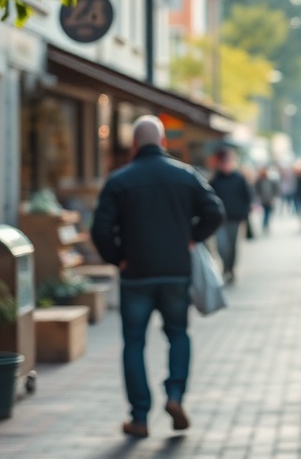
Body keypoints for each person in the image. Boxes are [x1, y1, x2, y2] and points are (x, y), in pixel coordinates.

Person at [90, 115, 225, 439]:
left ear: (135, 145)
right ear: (163, 142)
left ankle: (139, 417)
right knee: (178, 335)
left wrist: (117, 256)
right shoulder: (185, 175)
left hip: (136, 274)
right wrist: (191, 237)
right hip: (176, 273)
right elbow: (215, 211)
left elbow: (100, 230)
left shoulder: (119, 181)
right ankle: (175, 395)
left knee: (134, 343)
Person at [209, 148, 253, 284]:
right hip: (220, 218)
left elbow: (247, 197)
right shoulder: (215, 180)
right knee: (222, 246)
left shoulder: (239, 179)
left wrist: (244, 213)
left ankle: (230, 269)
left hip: (235, 218)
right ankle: (225, 267)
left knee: (232, 246)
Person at [253, 165, 280, 233]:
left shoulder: (272, 180)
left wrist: (274, 197)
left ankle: (265, 224)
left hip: (270, 199)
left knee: (268, 213)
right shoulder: (259, 180)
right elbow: (257, 190)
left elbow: (276, 189)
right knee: (265, 213)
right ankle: (264, 224)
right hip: (263, 200)